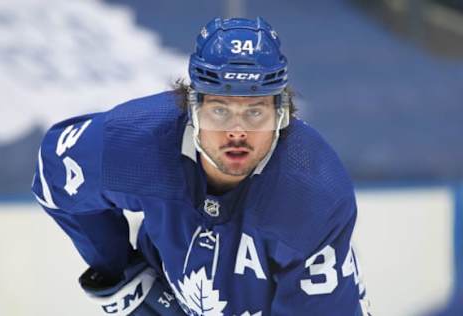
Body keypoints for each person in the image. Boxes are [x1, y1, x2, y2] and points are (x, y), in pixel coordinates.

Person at [32, 17, 370, 316]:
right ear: (191, 109)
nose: (237, 133)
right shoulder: (136, 141)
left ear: (281, 114)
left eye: (255, 112)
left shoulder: (313, 193)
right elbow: (56, 171)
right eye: (220, 111)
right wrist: (120, 269)